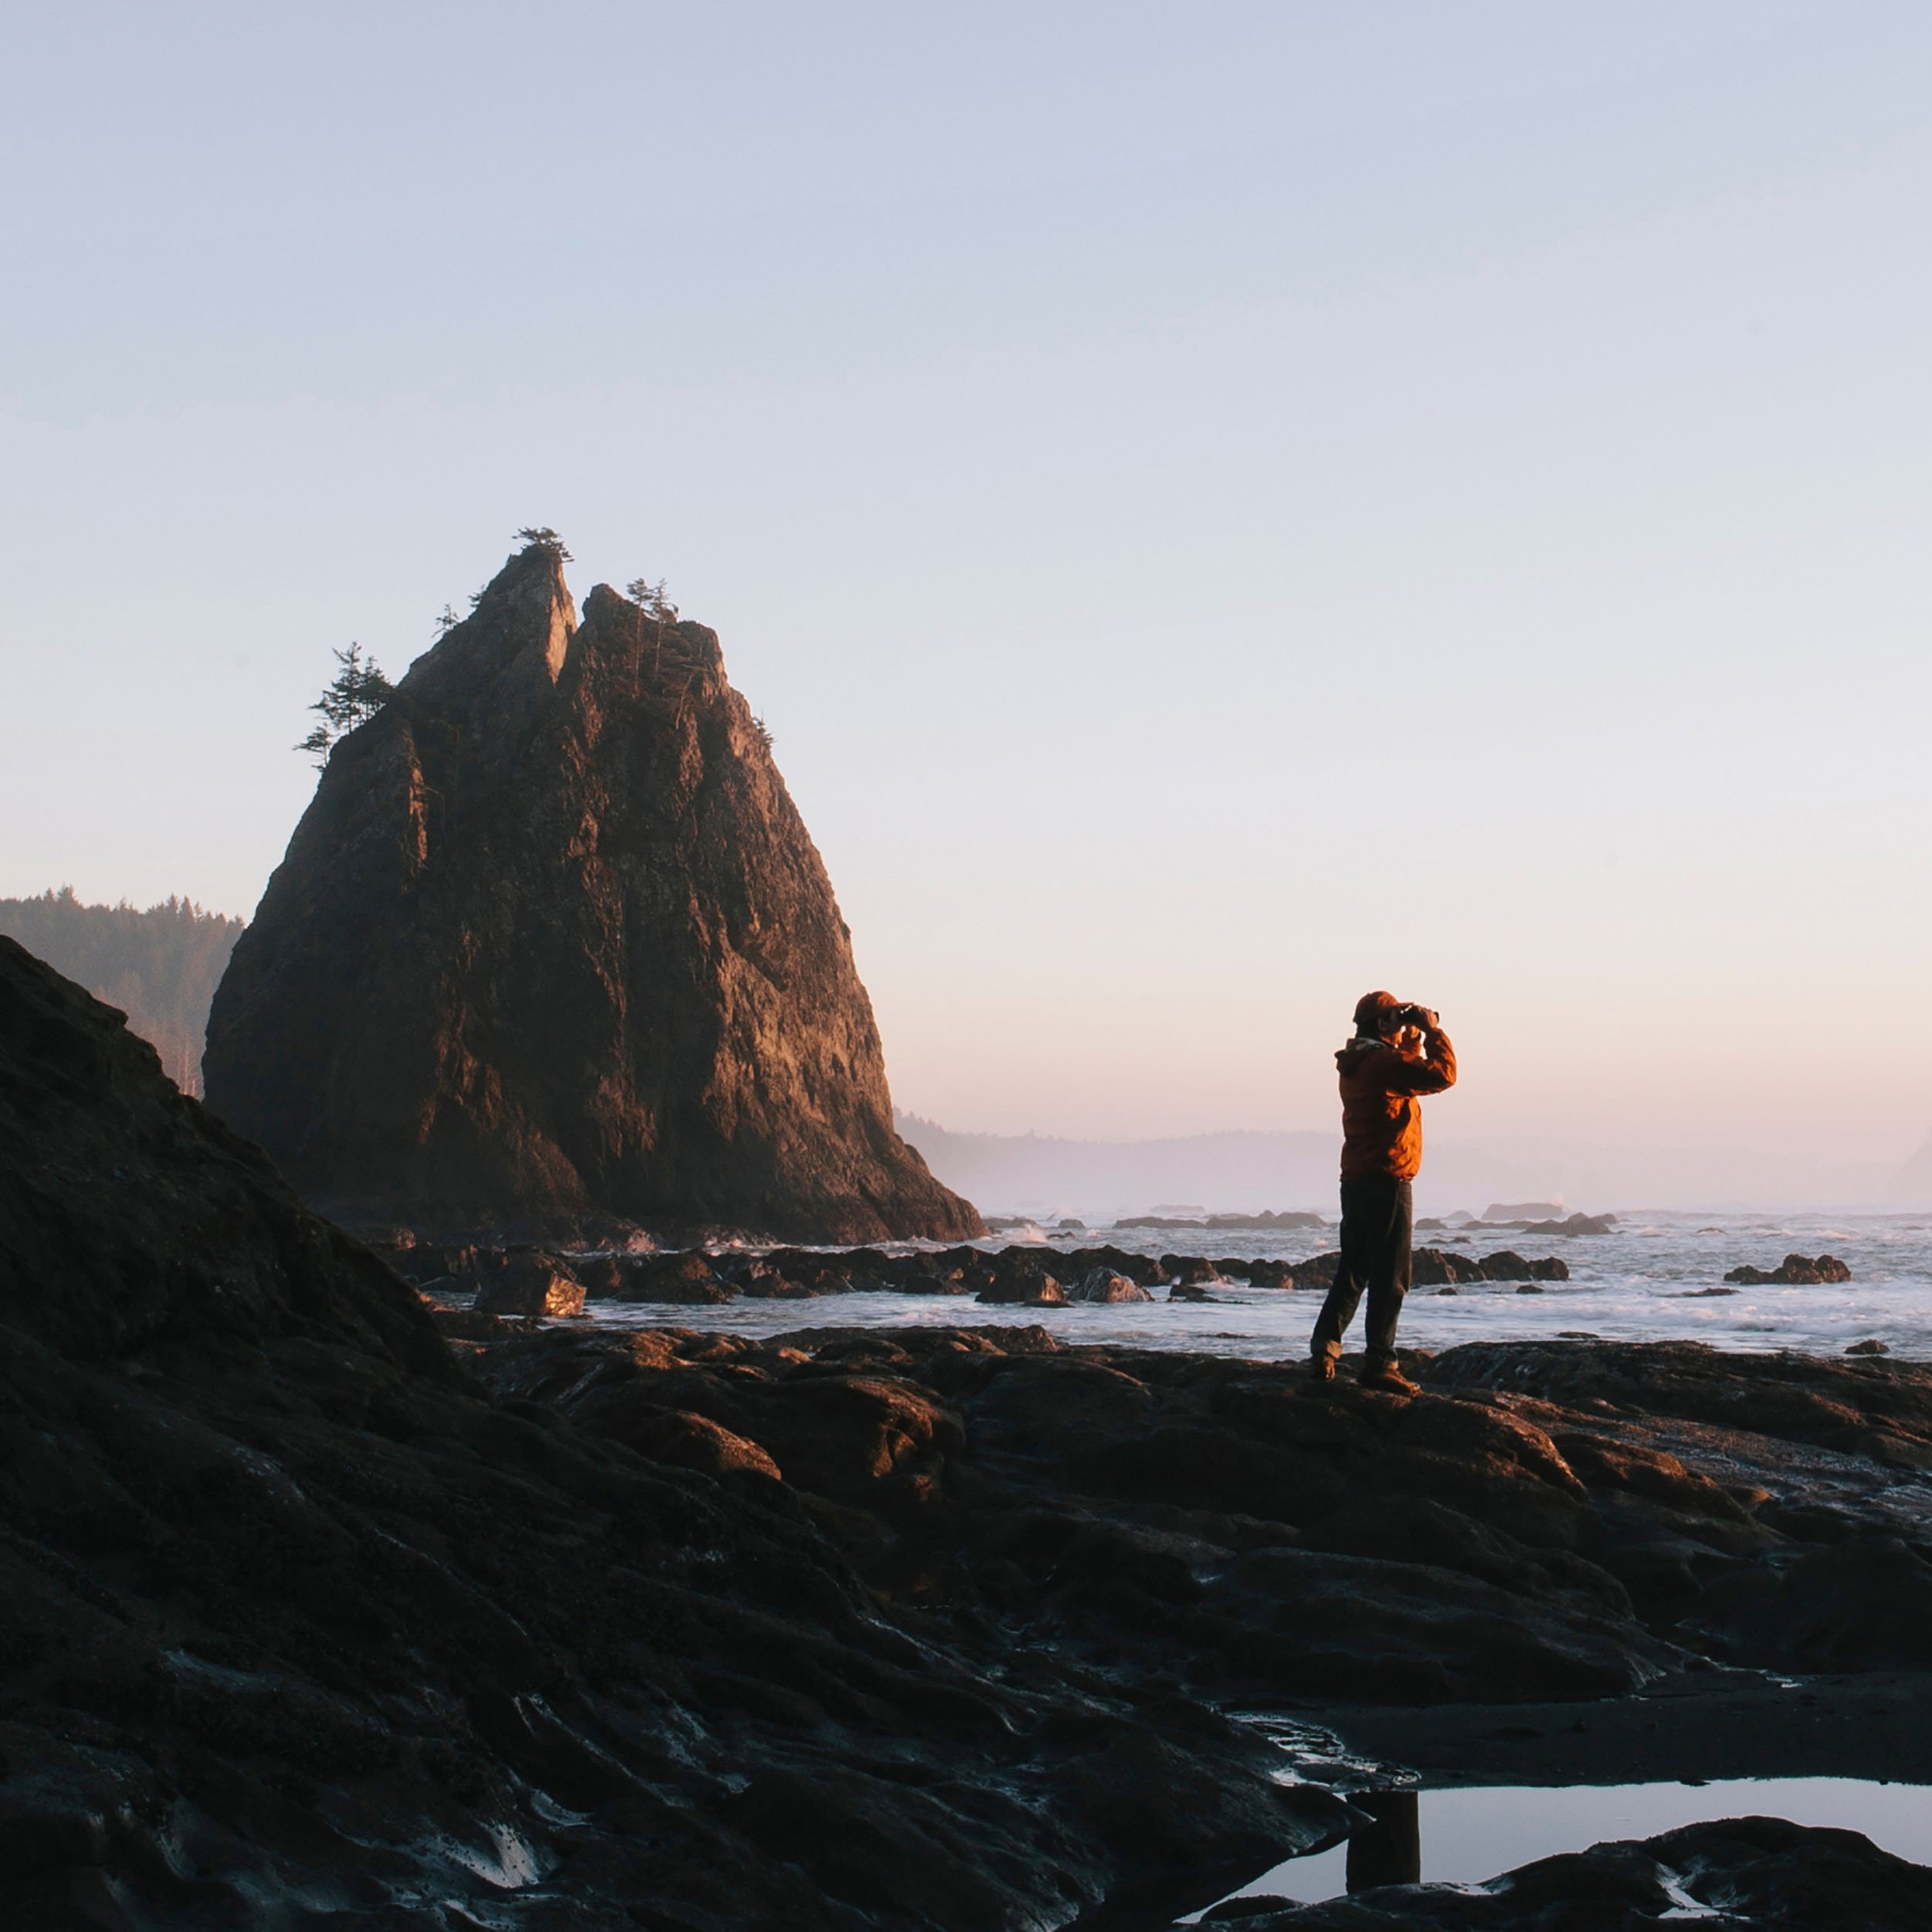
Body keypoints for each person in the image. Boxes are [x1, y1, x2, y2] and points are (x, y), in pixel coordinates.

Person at [1309, 990, 1457, 1394]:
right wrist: (1432, 1031)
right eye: (1395, 1015)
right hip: (1389, 1177)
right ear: (1382, 1025)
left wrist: (1408, 1035)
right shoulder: (1381, 1063)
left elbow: (1403, 1073)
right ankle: (1380, 1362)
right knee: (1392, 1275)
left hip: (1356, 1178)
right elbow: (1441, 1076)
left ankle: (1325, 1349)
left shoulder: (1358, 1063)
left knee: (1354, 1269)